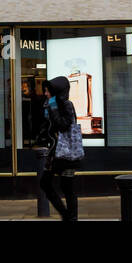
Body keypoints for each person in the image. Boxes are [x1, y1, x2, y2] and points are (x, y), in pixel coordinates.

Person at [35, 76, 83, 221]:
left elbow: (64, 125)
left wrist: (53, 108)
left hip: (67, 152)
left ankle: (71, 217)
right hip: (55, 152)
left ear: (56, 91)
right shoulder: (49, 105)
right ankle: (66, 215)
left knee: (67, 186)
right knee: (45, 183)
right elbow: (48, 128)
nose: (45, 94)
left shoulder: (66, 105)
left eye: (48, 91)